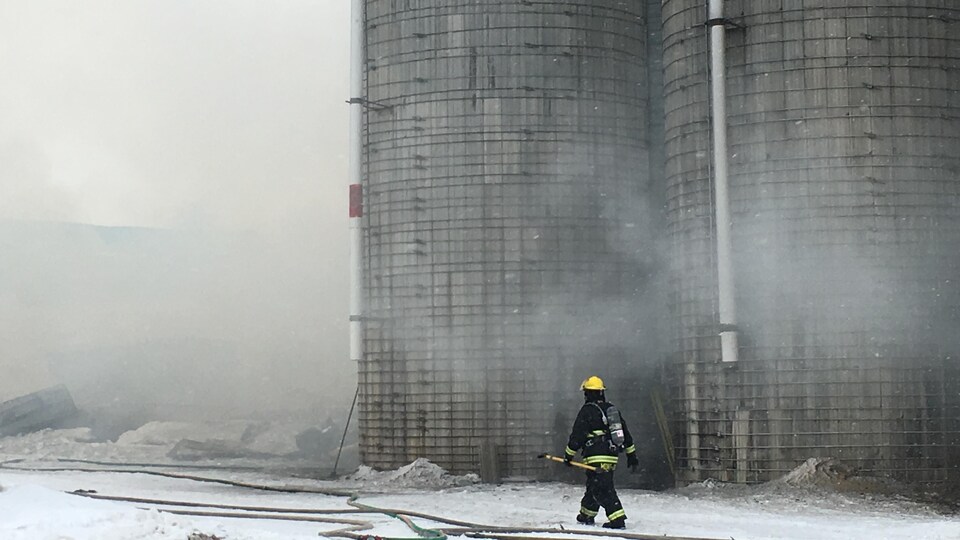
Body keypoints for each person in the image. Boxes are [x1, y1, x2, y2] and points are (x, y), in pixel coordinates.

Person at [563, 375, 638, 529]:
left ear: (587, 393)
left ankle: (617, 518)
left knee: (602, 488)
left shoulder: (587, 411)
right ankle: (586, 515)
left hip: (596, 455)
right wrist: (631, 455)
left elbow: (577, 435)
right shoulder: (611, 410)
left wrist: (568, 455)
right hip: (611, 455)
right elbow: (625, 433)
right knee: (594, 484)